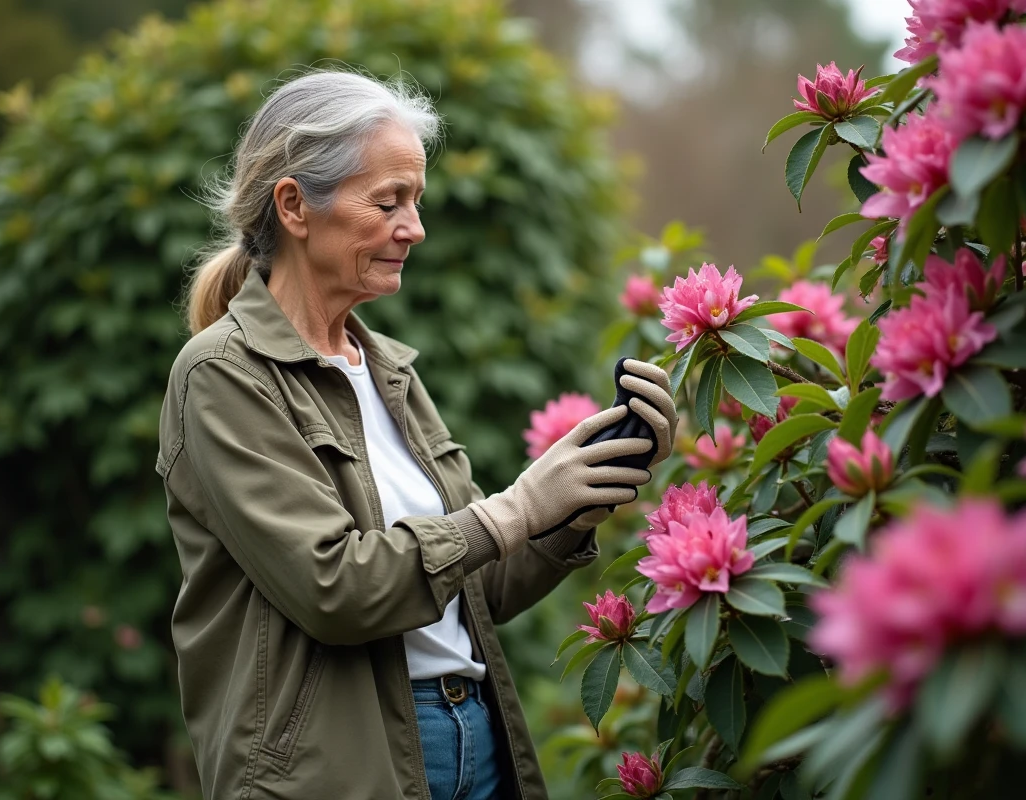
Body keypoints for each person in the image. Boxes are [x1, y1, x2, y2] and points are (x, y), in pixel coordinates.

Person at [155, 70, 678, 800]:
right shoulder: (221, 375)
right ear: (295, 205)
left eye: (417, 201)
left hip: (475, 738)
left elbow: (474, 587)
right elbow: (334, 588)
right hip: (337, 770)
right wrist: (517, 508)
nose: (415, 227)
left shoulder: (389, 371)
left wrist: (575, 504)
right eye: (388, 201)